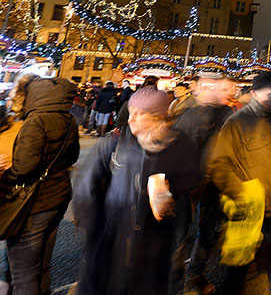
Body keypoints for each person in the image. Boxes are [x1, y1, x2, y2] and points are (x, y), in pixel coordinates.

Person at [73, 86, 199, 294]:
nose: (131, 119)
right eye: (131, 112)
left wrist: (169, 186)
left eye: (141, 115)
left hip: (153, 241)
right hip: (111, 237)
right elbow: (87, 188)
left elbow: (193, 176)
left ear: (158, 117)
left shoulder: (179, 144)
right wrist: (95, 231)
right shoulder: (114, 144)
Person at [207, 72, 271, 294]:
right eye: (269, 93)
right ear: (253, 93)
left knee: (251, 267)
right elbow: (219, 165)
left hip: (267, 207)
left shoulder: (267, 119)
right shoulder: (238, 122)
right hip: (247, 208)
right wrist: (242, 196)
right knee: (236, 271)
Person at [0, 77, 79, 295]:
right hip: (58, 197)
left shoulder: (35, 120)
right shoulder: (68, 118)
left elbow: (24, 168)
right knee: (42, 267)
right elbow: (73, 157)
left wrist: (6, 175)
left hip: (33, 204)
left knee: (24, 274)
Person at [173, 76, 234, 294]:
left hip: (199, 183)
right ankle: (191, 274)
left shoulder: (191, 116)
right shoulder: (227, 116)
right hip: (205, 183)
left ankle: (182, 279)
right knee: (200, 233)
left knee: (187, 233)